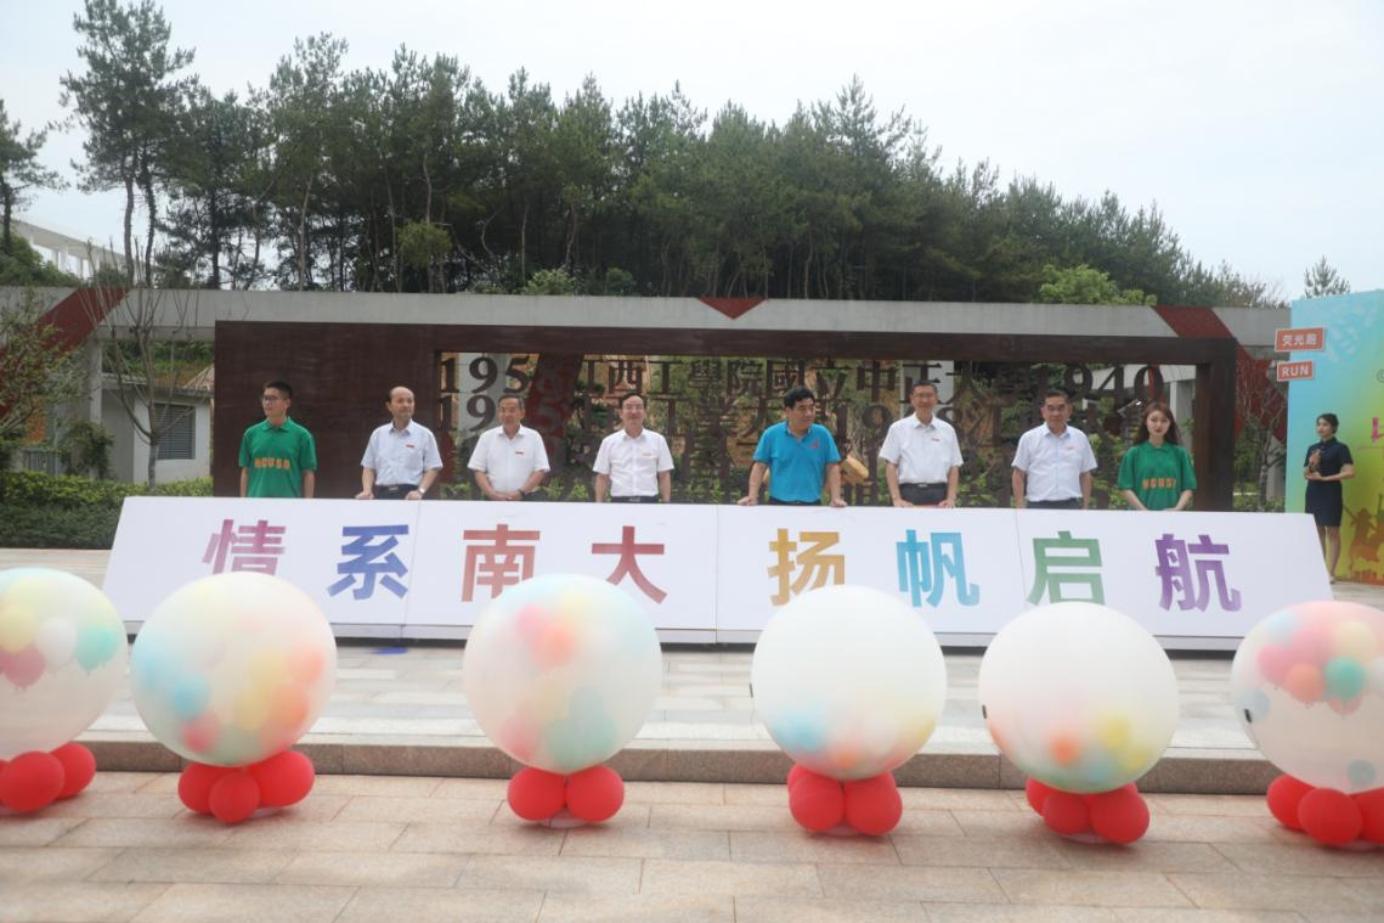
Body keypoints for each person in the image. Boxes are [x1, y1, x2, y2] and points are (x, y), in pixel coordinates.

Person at [739, 386, 846, 507]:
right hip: (778, 504)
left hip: (812, 505)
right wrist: (752, 496)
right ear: (788, 411)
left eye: (812, 408)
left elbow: (832, 466)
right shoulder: (771, 434)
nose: (808, 413)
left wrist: (835, 498)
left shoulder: (823, 435)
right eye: (802, 409)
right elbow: (759, 466)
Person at [880, 381, 962, 508]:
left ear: (936, 398)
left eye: (929, 395)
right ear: (912, 399)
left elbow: (954, 467)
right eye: (920, 395)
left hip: (940, 495)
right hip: (907, 494)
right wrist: (896, 499)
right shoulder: (898, 428)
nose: (925, 400)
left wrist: (951, 498)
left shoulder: (947, 430)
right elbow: (891, 465)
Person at [1011, 388, 1097, 510]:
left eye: (1061, 408)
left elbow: (1085, 474)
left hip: (1070, 505)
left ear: (1069, 410)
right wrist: (1020, 506)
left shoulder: (1080, 438)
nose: (1056, 413)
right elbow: (1018, 474)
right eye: (1051, 408)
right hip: (1037, 506)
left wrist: (1086, 506)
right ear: (1043, 412)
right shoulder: (1029, 438)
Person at [356, 386, 443, 500]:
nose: (406, 405)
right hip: (382, 495)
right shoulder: (378, 434)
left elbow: (433, 467)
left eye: (410, 401)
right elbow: (368, 466)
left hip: (411, 496)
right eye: (400, 401)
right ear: (389, 406)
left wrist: (420, 491)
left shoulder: (425, 435)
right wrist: (367, 490)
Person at [239, 380, 317, 498]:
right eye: (265, 398)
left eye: (273, 398)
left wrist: (308, 505)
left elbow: (308, 473)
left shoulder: (302, 436)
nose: (267, 403)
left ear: (287, 403)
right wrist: (243, 502)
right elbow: (245, 471)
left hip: (288, 505)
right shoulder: (250, 434)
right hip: (256, 504)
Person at [592, 392, 673, 502]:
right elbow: (602, 477)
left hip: (649, 503)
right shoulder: (608, 442)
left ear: (645, 413)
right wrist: (599, 505)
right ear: (621, 413)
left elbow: (664, 475)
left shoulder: (658, 440)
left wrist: (666, 504)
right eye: (629, 407)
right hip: (619, 503)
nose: (634, 412)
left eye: (638, 407)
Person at [467, 394, 550, 500]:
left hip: (527, 498)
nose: (507, 414)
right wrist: (492, 494)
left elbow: (540, 469)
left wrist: (520, 493)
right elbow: (478, 470)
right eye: (502, 410)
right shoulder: (487, 437)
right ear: (498, 413)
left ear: (522, 413)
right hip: (493, 499)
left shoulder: (534, 437)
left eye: (512, 410)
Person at [1116, 402, 1196, 511]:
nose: (1159, 425)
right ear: (1145, 422)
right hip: (1140, 518)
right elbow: (1125, 487)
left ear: (1170, 423)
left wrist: (1176, 509)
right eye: (1153, 420)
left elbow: (1188, 487)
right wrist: (1145, 512)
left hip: (1172, 518)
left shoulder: (1180, 454)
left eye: (1164, 421)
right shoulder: (1133, 454)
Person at [1304, 412, 1355, 581]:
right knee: (1317, 530)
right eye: (1319, 424)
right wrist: (1312, 464)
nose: (1321, 428)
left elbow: (1350, 472)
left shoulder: (1341, 448)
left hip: (1331, 492)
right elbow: (1306, 474)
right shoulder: (1312, 448)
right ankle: (1319, 571)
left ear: (1334, 427)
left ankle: (1330, 572)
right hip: (1313, 493)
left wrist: (1325, 478)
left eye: (1325, 424)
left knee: (1332, 531)